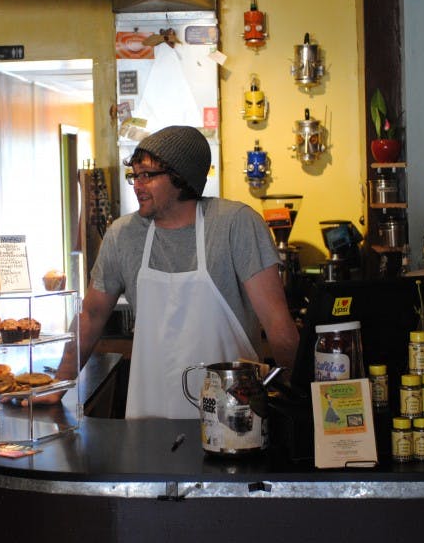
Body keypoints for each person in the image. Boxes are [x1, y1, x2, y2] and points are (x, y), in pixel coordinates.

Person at [47, 125, 299, 419]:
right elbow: (90, 316)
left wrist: (300, 397)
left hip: (232, 422)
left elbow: (278, 323)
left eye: (148, 175)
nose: (137, 185)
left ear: (181, 177)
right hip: (148, 419)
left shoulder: (235, 224)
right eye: (135, 176)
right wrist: (58, 384)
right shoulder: (123, 235)